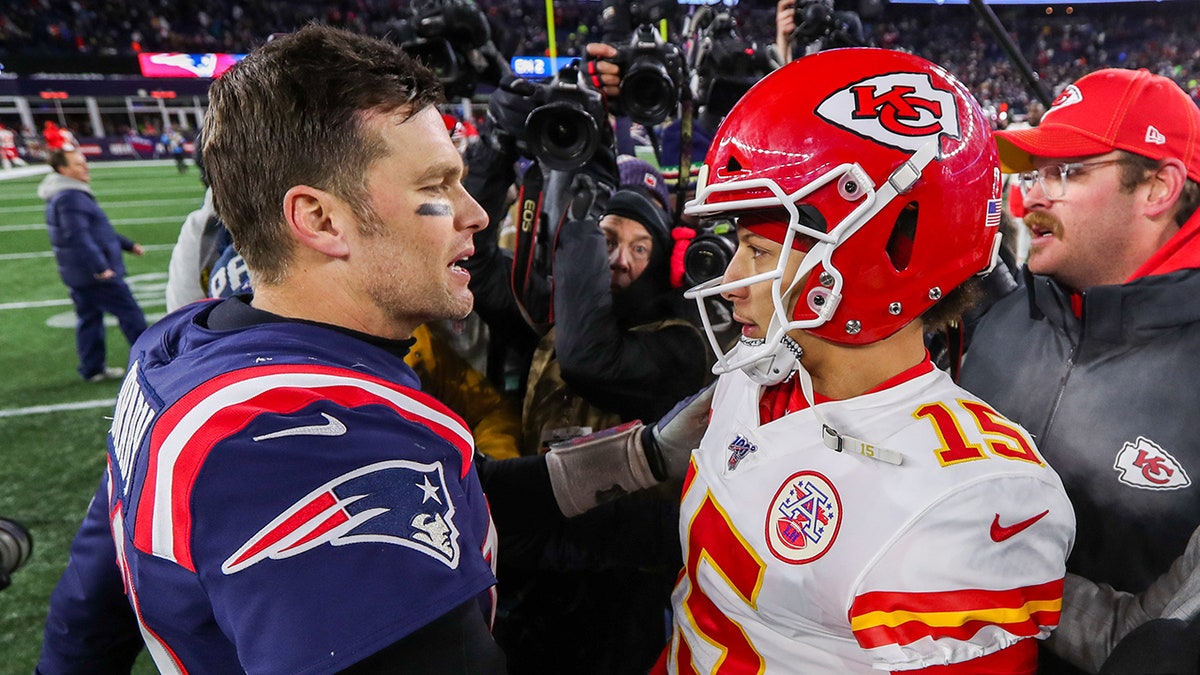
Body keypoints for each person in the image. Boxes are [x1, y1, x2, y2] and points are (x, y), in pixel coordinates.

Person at [37, 25, 709, 675]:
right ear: (322, 219)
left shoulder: (183, 346)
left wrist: (640, 455)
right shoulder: (295, 440)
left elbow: (87, 611)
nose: (474, 213)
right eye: (435, 187)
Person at [635, 47, 1074, 673]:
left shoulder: (969, 495)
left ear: (884, 251)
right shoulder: (758, 374)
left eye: (761, 249)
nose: (731, 279)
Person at [958, 67, 1200, 674]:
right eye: (1034, 172)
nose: (1030, 196)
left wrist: (973, 568)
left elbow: (1160, 636)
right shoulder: (1007, 312)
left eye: (1065, 172)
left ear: (1156, 189)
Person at [38, 148, 147, 382]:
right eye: (78, 164)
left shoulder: (66, 193)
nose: (85, 167)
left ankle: (92, 368)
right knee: (130, 314)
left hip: (79, 273)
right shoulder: (69, 196)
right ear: (63, 170)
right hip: (93, 274)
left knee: (90, 319)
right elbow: (77, 235)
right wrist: (100, 267)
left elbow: (98, 232)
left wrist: (127, 245)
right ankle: (151, 363)